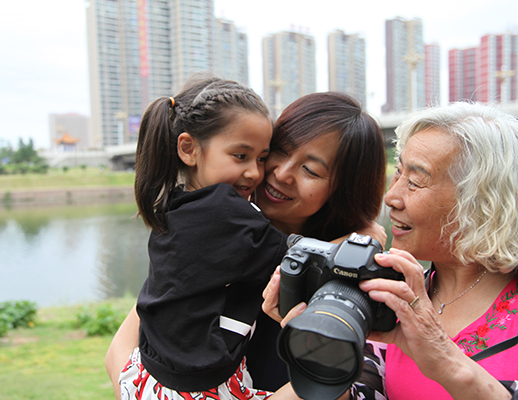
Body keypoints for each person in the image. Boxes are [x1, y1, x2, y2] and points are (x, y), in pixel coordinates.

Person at [264, 102, 518, 400]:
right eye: (397, 173)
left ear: (485, 202)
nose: (391, 198)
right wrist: (317, 343)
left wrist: (444, 360)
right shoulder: (399, 293)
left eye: (414, 181)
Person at [105, 89, 389, 399]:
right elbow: (120, 352)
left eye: (310, 169)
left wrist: (351, 254)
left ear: (344, 191)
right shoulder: (209, 236)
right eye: (277, 153)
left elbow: (352, 384)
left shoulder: (351, 281)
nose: (279, 173)